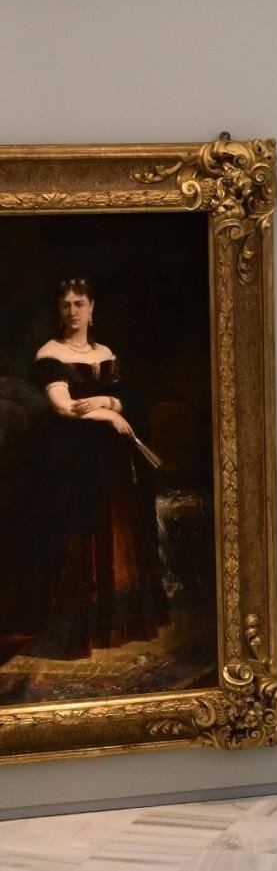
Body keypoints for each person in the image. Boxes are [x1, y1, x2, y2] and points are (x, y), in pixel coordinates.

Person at [0, 278, 167, 659]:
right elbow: (63, 406)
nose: (72, 311)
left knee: (118, 514)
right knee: (76, 516)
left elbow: (124, 396)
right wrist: (109, 415)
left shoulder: (105, 352)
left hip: (108, 453)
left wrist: (109, 402)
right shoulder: (50, 353)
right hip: (68, 451)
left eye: (79, 303)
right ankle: (74, 621)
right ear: (58, 311)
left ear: (92, 308)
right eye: (65, 305)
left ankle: (113, 619)